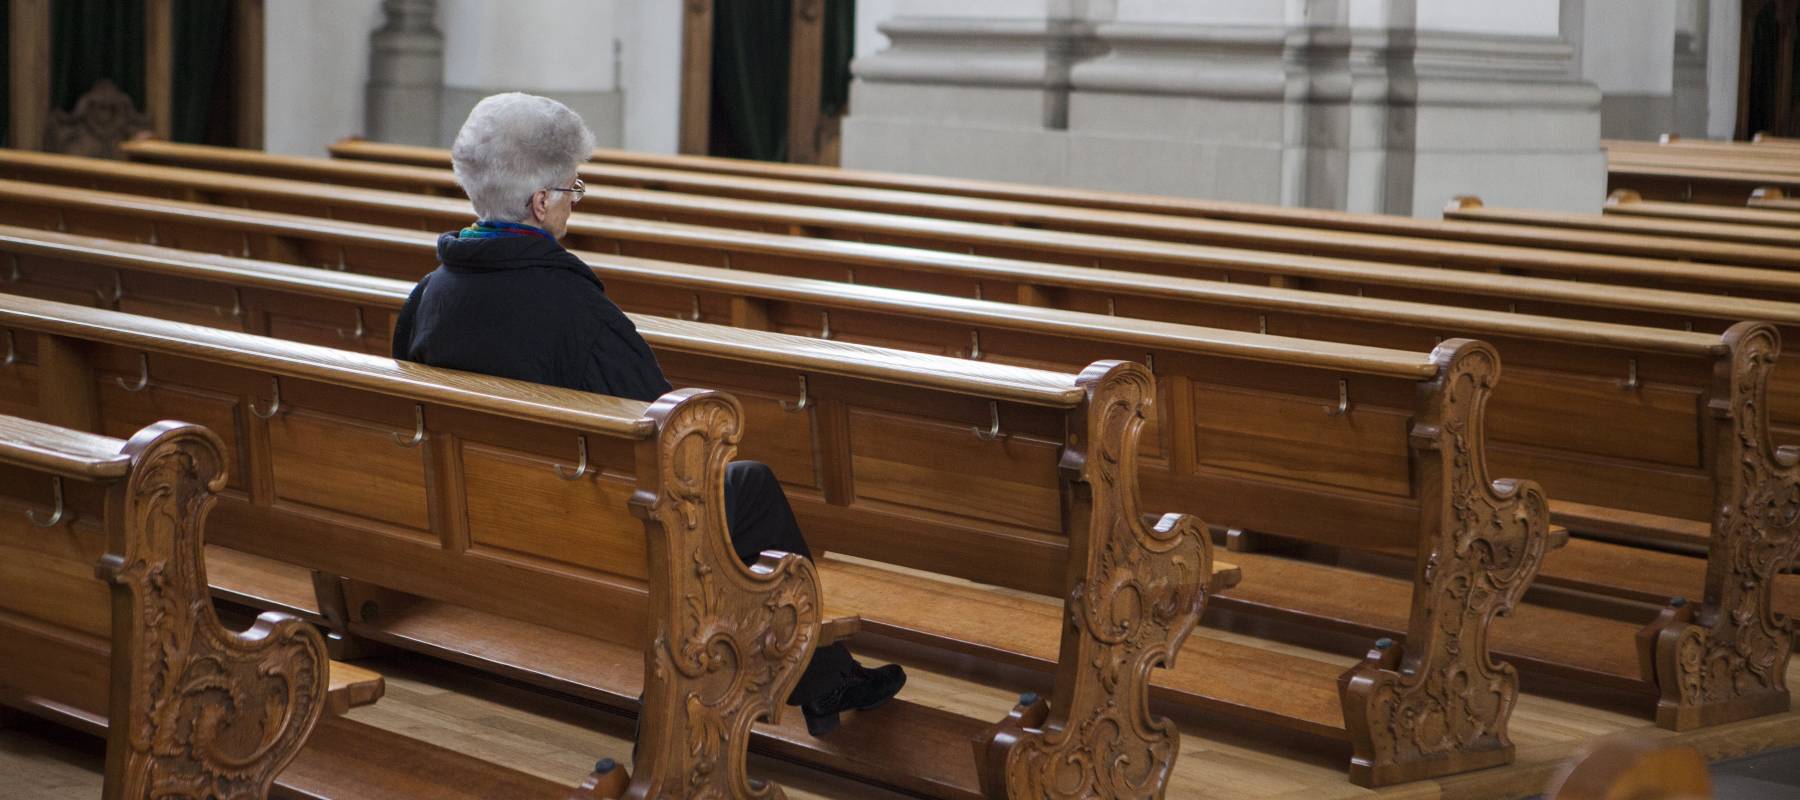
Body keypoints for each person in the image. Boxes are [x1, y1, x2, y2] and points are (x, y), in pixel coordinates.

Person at [390, 93, 904, 737]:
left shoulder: (429, 295)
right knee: (745, 484)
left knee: (736, 489)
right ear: (541, 202)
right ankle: (819, 679)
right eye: (573, 188)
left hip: (481, 516)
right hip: (579, 530)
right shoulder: (572, 305)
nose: (575, 201)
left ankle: (813, 673)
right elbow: (667, 434)